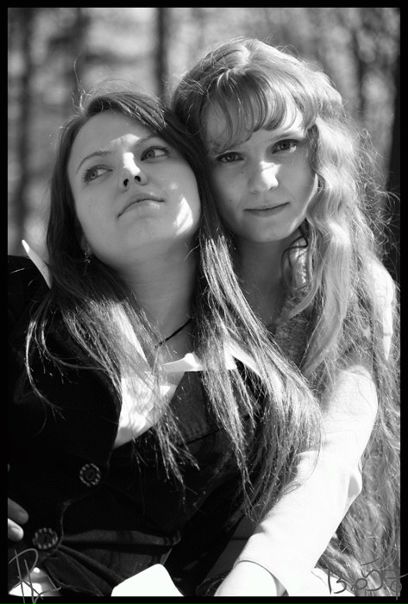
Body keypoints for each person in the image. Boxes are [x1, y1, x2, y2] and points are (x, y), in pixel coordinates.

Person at [8, 83, 324, 597]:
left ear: (200, 187)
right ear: (78, 228)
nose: (130, 173)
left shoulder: (254, 396)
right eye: (96, 171)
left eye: (153, 153)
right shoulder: (20, 302)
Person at [170, 37, 400, 596]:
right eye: (230, 156)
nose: (264, 179)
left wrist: (254, 578)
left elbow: (331, 457)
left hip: (300, 566)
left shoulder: (352, 287)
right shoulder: (168, 278)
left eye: (285, 145)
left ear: (319, 149)